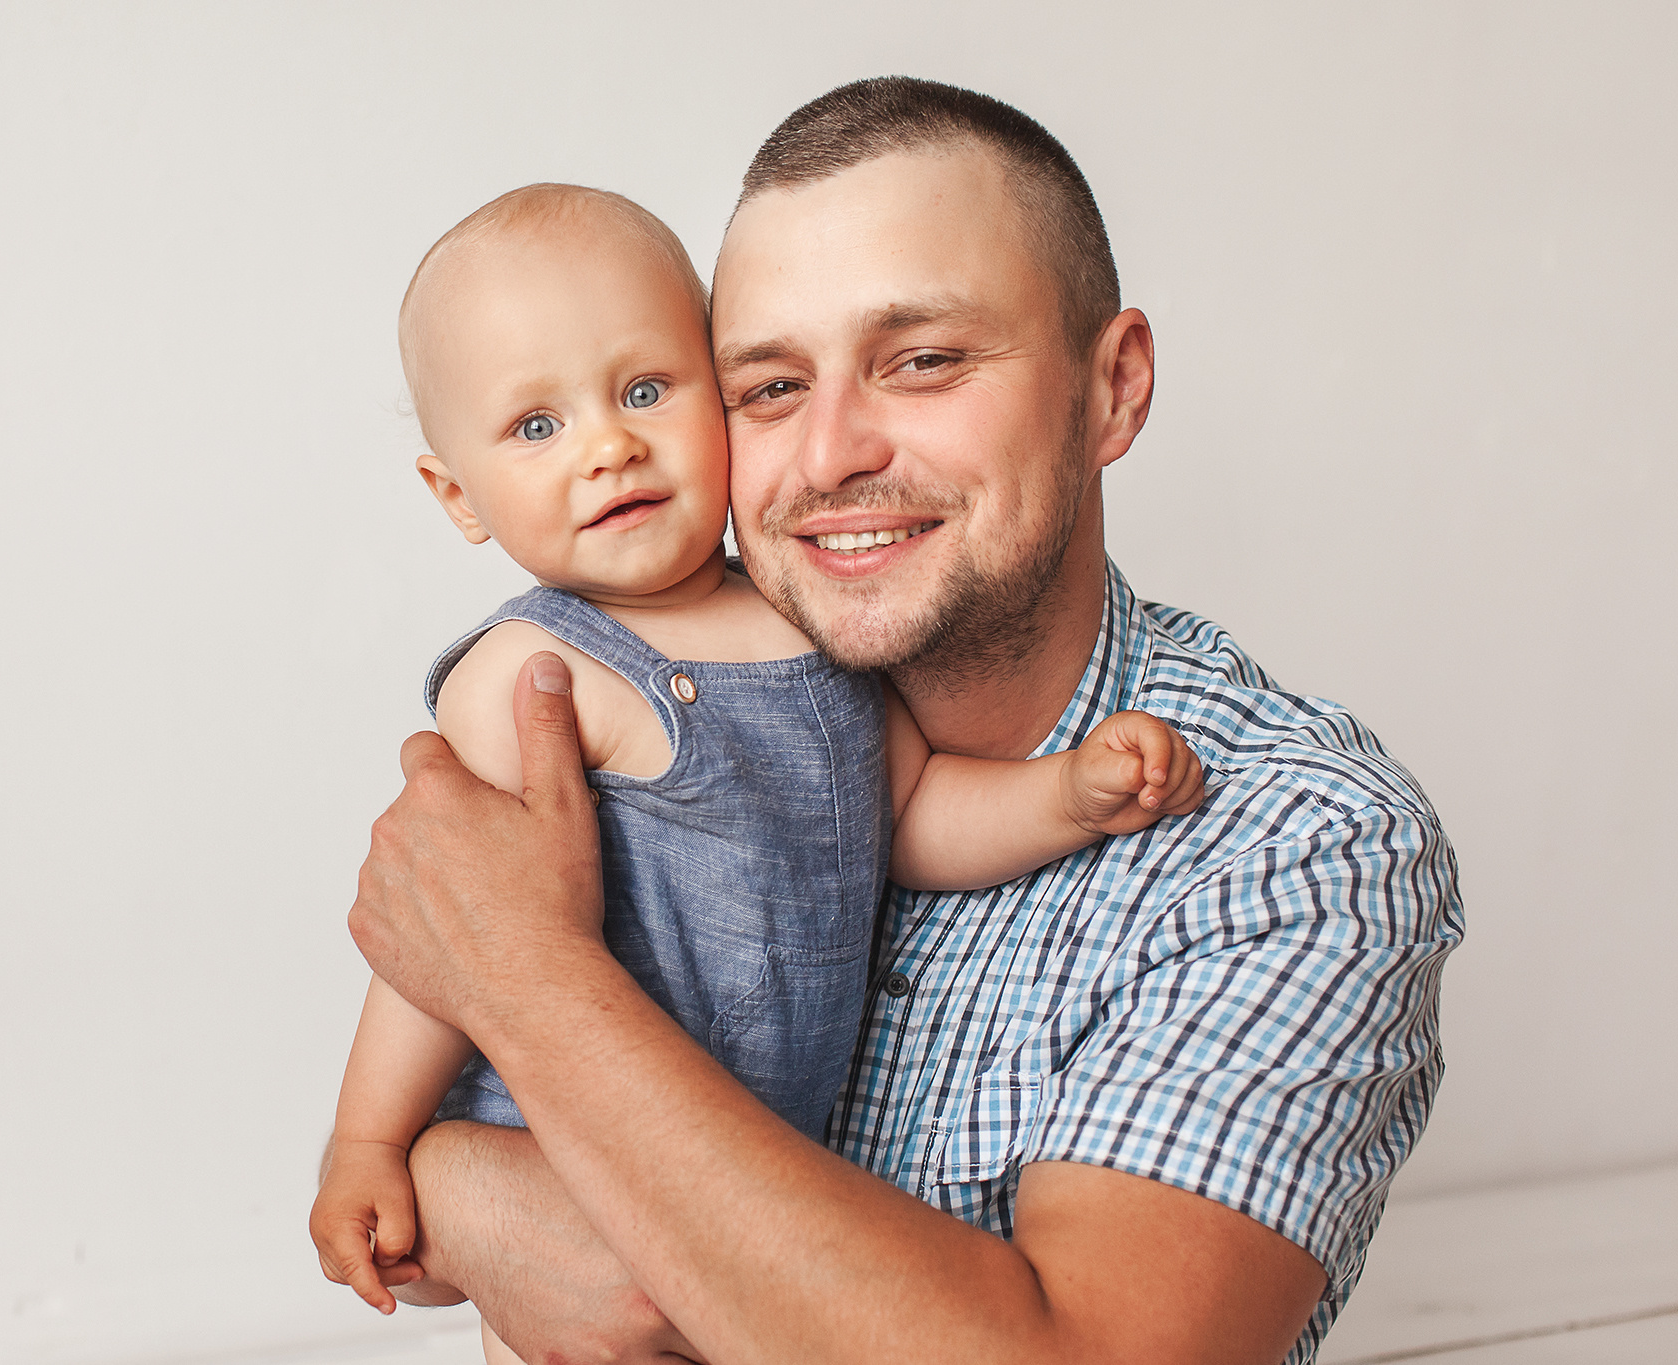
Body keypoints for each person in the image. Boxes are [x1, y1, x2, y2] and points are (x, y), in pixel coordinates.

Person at [347, 78, 1463, 1365]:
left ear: (1113, 389)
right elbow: (418, 1202)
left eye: (923, 360)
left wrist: (532, 991)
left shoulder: (1294, 845)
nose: (828, 455)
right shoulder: (612, 713)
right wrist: (447, 1178)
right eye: (766, 386)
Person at [310, 183, 1208, 1363]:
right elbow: (449, 937)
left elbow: (908, 813)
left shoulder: (806, 616)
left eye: (644, 390)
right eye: (536, 427)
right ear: (456, 496)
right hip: (559, 1147)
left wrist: (1066, 795)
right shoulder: (534, 674)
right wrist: (367, 1142)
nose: (607, 445)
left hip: (774, 1175)